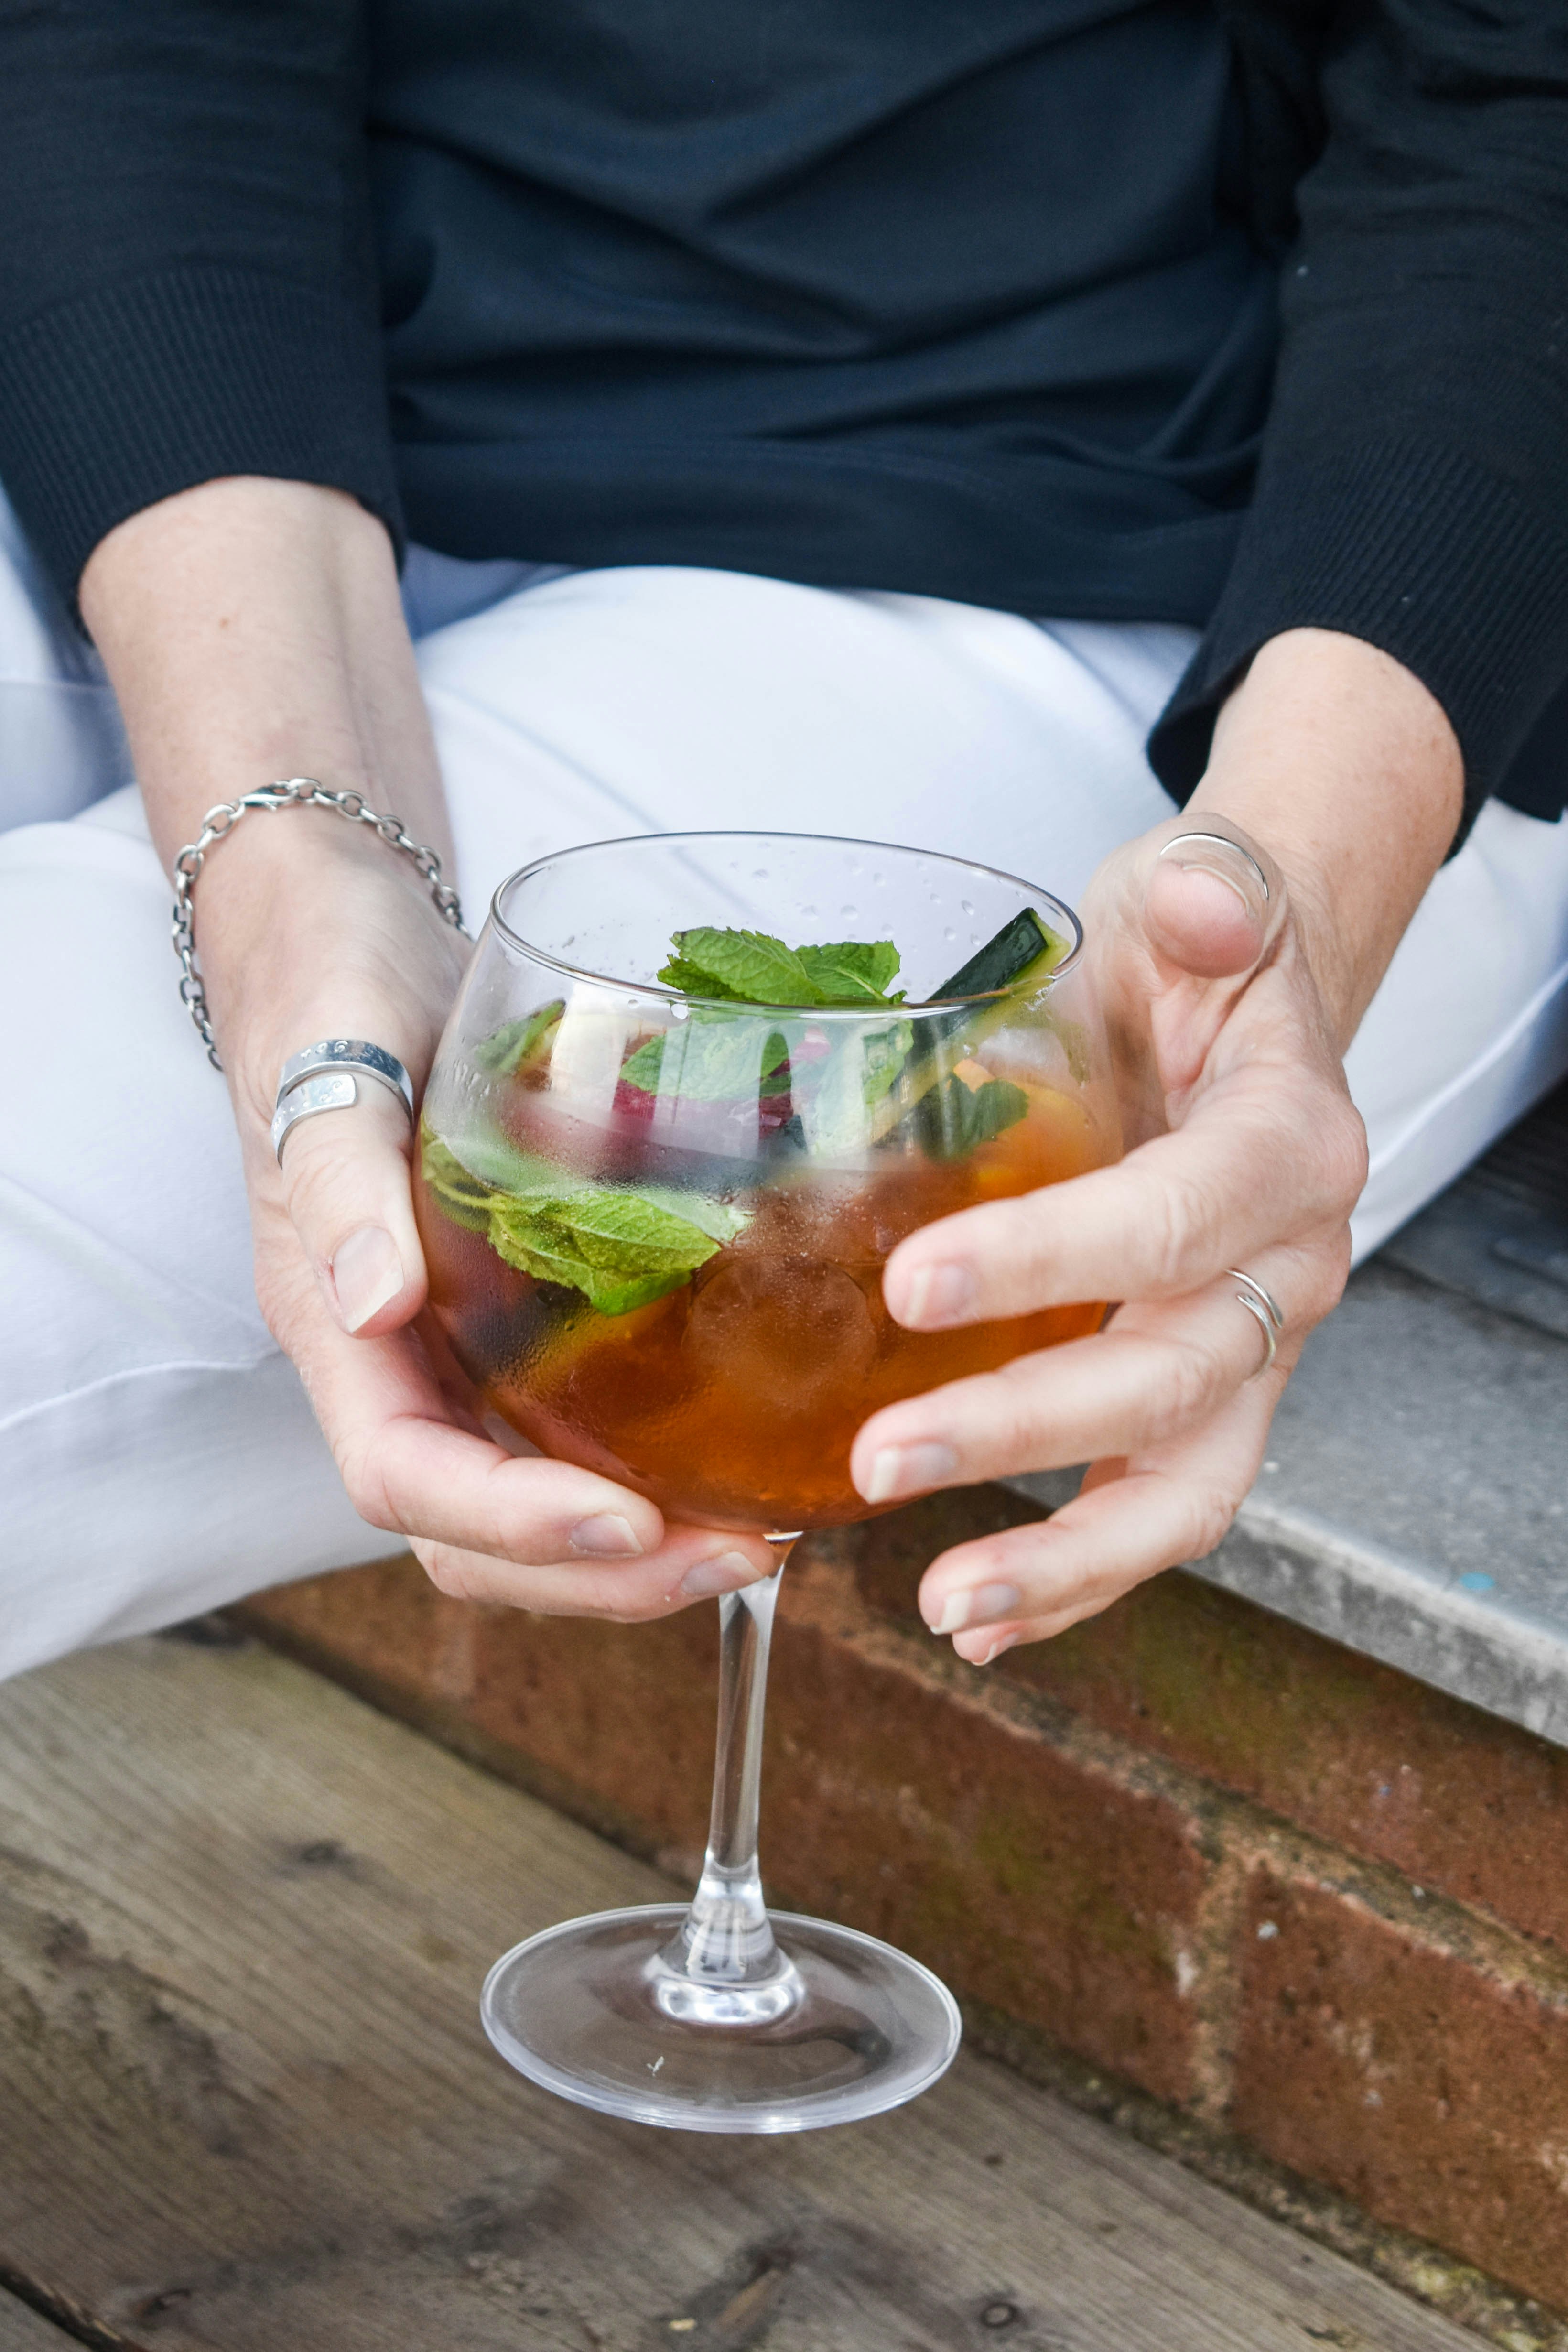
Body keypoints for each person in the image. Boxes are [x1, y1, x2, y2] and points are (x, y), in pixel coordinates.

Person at [1, 2, 1565, 1683]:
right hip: (210, 415)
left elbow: (1513, 95)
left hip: (1106, 527)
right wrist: (293, 867)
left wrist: (1299, 878)